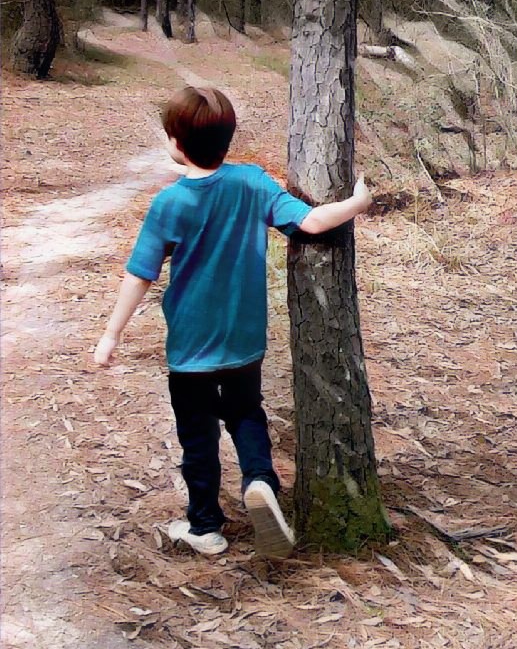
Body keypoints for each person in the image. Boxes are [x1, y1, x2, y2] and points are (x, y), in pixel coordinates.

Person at [94, 85, 373, 559]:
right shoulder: (251, 182)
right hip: (243, 340)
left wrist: (111, 334)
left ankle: (204, 525)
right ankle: (260, 482)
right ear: (228, 139)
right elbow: (311, 222)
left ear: (176, 143)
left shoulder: (170, 203)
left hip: (191, 349)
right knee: (246, 414)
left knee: (198, 437)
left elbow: (140, 274)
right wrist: (357, 203)